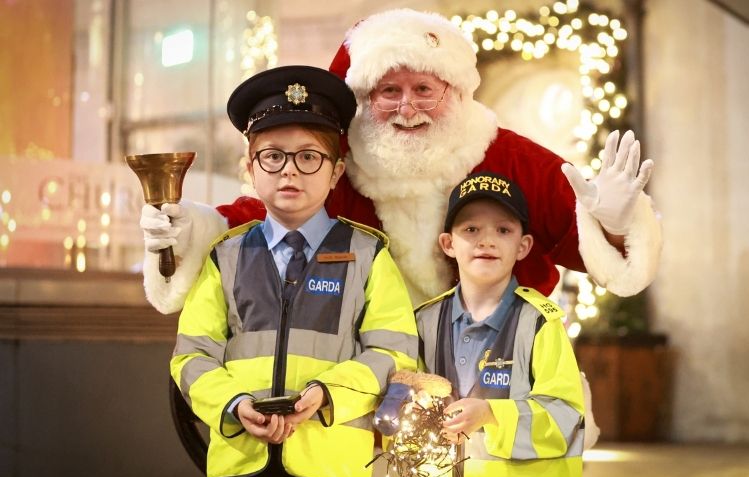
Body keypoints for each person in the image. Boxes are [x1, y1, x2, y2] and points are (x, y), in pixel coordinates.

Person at [140, 8, 661, 316]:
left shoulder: (509, 157)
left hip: (495, 368)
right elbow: (264, 217)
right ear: (362, 99)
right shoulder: (338, 164)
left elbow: (589, 245)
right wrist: (187, 230)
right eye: (388, 89)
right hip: (370, 382)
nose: (407, 107)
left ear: (454, 90)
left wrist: (615, 226)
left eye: (423, 89)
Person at [170, 65, 418, 477]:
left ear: (337, 172)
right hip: (240, 468)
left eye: (308, 157)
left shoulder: (368, 255)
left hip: (332, 468)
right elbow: (192, 356)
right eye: (273, 156)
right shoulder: (225, 256)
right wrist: (234, 405)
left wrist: (326, 395)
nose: (289, 172)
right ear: (250, 167)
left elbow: (394, 354)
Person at [414, 171, 585, 477]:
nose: (487, 241)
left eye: (503, 230)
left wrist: (491, 414)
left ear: (523, 246)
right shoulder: (424, 321)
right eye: (471, 229)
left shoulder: (540, 324)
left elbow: (566, 418)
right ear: (448, 244)